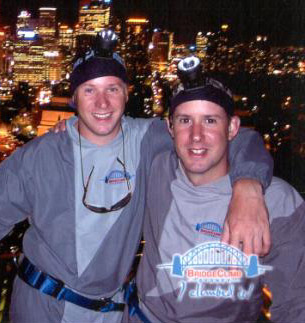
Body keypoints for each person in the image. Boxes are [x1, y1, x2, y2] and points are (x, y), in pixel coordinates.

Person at [0, 32, 273, 322]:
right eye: (90, 90)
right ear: (73, 98)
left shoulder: (150, 140)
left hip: (110, 312)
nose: (102, 102)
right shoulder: (39, 156)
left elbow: (227, 135)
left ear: (128, 94)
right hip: (42, 309)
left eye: (113, 88)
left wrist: (249, 186)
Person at [124, 56, 305, 323]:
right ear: (170, 128)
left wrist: (249, 186)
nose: (196, 135)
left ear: (232, 127)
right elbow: (103, 129)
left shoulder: (278, 202)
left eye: (210, 121)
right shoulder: (156, 168)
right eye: (185, 120)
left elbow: (295, 303)